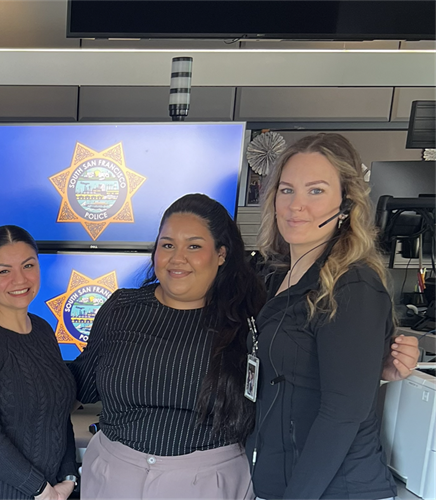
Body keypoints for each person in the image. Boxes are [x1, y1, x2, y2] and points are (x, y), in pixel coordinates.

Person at [71, 193, 265, 500]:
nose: (177, 258)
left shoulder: (247, 321)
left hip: (208, 485)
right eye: (167, 245)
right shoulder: (121, 308)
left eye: (194, 246)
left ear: (221, 254)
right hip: (111, 479)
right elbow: (83, 384)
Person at [247, 133, 403, 499]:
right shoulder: (276, 275)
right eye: (287, 190)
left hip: (334, 490)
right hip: (283, 483)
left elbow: (342, 415)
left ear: (345, 203)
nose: (295, 206)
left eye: (315, 191)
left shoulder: (353, 285)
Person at [0, 225, 78, 500]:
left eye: (28, 265)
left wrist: (69, 476)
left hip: (49, 491)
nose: (19, 279)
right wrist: (40, 489)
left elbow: (58, 413)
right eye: (3, 271)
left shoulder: (44, 330)